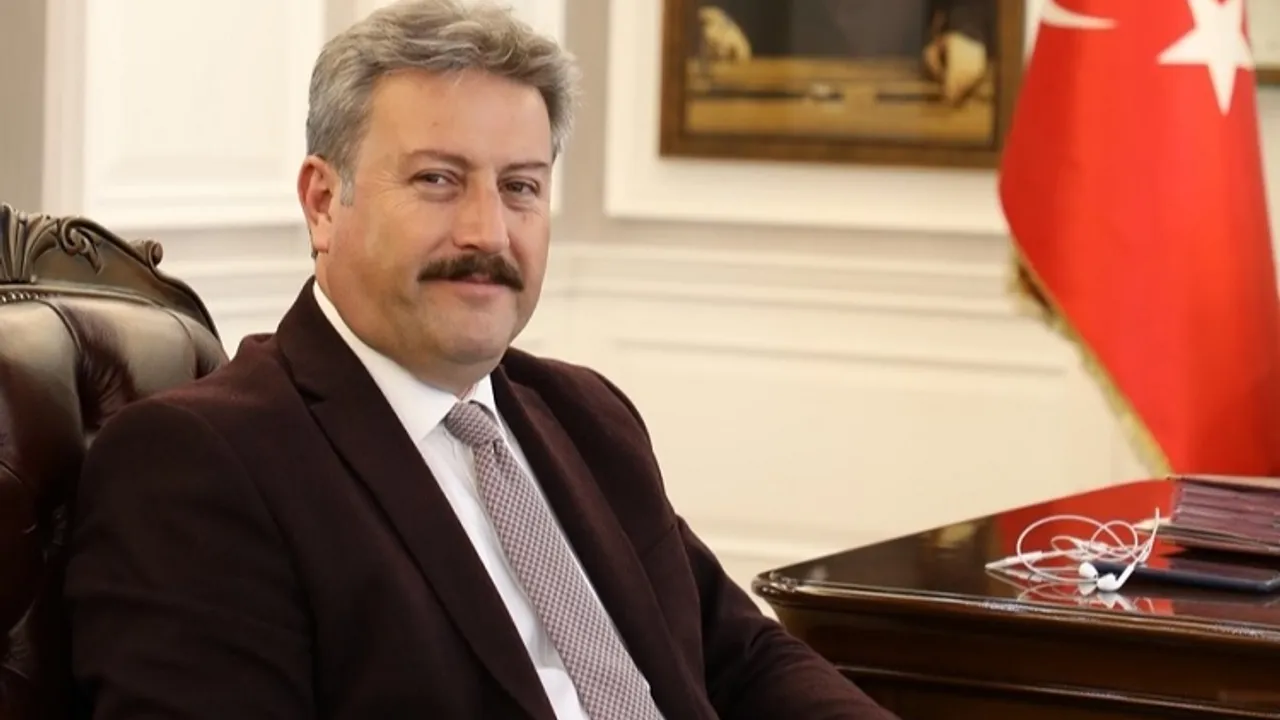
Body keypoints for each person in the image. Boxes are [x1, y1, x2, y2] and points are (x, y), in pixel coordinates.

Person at [63, 1, 899, 717]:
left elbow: (741, 659)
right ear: (323, 203)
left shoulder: (586, 415)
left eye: (520, 187)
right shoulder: (200, 463)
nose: (487, 233)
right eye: (437, 180)